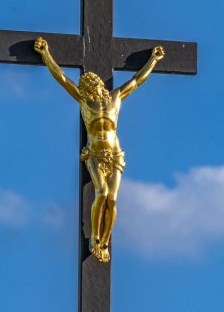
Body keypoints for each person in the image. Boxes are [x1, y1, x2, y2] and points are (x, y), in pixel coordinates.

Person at [32, 38, 166, 263]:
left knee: (112, 199)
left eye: (91, 83)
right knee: (102, 193)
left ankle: (104, 241)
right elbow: (62, 79)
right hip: (94, 153)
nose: (90, 86)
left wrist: (153, 60)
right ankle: (94, 237)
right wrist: (46, 55)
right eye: (86, 84)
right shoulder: (84, 101)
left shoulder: (115, 98)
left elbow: (136, 81)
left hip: (115, 154)